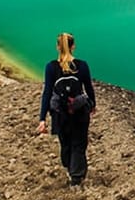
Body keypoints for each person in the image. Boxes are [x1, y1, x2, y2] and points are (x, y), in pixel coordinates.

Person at [37, 32, 96, 185]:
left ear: (58, 47)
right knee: (79, 143)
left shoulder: (51, 67)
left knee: (65, 142)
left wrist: (42, 118)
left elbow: (47, 93)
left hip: (60, 114)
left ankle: (70, 169)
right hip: (79, 111)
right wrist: (92, 105)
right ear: (73, 46)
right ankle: (76, 177)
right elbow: (88, 89)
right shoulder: (82, 66)